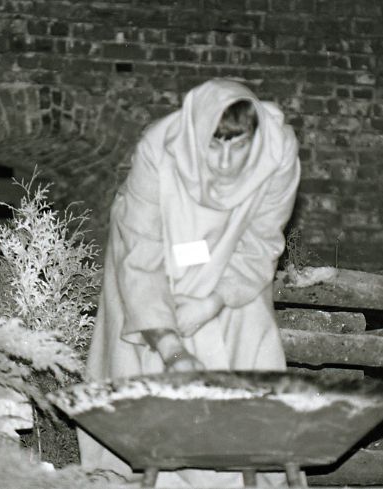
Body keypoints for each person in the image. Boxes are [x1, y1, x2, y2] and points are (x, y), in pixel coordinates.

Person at [79, 78, 301, 487]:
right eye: (214, 145)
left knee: (249, 325)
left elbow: (260, 242)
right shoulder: (158, 150)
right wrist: (173, 350)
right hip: (151, 248)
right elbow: (141, 259)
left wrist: (214, 300)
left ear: (254, 137)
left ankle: (250, 475)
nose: (225, 162)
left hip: (230, 258)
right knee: (146, 357)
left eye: (238, 146)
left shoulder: (278, 151)